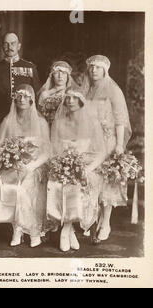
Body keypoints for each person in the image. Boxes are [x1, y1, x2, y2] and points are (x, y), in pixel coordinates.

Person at [0, 84, 50, 248]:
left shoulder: (40, 122)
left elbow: (46, 152)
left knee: (25, 185)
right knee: (4, 183)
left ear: (32, 100)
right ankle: (16, 228)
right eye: (19, 96)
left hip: (33, 166)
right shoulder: (8, 120)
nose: (22, 99)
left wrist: (31, 166)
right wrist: (9, 160)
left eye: (26, 96)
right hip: (12, 165)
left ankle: (32, 230)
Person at [46, 87, 106, 252]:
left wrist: (87, 169)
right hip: (63, 165)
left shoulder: (92, 123)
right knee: (58, 183)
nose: (70, 101)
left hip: (86, 167)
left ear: (81, 101)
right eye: (68, 98)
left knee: (77, 185)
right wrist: (61, 166)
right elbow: (53, 149)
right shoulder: (58, 123)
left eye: (74, 98)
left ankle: (65, 230)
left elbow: (101, 152)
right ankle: (68, 229)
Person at [84, 55, 132, 242]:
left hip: (107, 140)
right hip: (90, 141)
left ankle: (106, 223)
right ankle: (92, 218)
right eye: (91, 67)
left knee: (106, 182)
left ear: (105, 70)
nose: (94, 70)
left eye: (98, 67)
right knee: (92, 179)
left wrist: (119, 144)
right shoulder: (88, 90)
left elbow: (120, 119)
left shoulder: (113, 89)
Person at [0, 32, 41, 138]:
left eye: (13, 43)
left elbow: (36, 94)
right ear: (2, 46)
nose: (9, 47)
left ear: (19, 46)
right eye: (6, 44)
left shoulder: (30, 67)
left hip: (24, 120)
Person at [37, 61, 75, 125]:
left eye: (63, 73)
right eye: (56, 73)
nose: (60, 76)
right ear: (52, 76)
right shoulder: (45, 94)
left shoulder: (73, 94)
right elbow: (39, 116)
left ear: (68, 76)